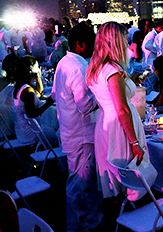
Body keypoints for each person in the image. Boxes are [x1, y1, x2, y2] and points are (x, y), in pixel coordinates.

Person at [86, 22, 155, 200]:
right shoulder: (112, 70)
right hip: (119, 127)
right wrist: (134, 142)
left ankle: (119, 214)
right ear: (116, 41)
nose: (127, 43)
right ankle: (129, 213)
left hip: (105, 123)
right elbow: (122, 109)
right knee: (128, 171)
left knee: (114, 174)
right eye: (125, 39)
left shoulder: (96, 67)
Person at [52, 23, 102, 231]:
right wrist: (104, 94)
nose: (96, 47)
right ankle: (84, 226)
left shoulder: (64, 62)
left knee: (77, 184)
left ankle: (80, 224)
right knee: (82, 187)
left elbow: (55, 95)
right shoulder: (79, 67)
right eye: (93, 42)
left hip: (70, 131)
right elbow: (85, 105)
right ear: (81, 44)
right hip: (82, 135)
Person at [13, 56, 59, 145]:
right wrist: (49, 103)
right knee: (58, 135)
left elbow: (39, 94)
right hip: (30, 133)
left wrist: (38, 78)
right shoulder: (27, 91)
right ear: (31, 68)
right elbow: (31, 114)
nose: (39, 69)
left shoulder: (20, 86)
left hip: (20, 131)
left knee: (51, 124)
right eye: (37, 66)